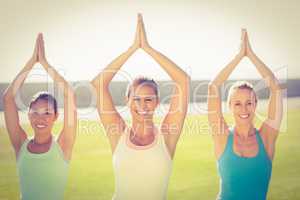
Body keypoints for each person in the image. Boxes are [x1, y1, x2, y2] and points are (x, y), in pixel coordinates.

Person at [91, 14, 190, 200]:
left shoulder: (167, 135)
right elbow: (98, 84)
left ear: (157, 102)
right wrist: (132, 48)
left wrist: (147, 48)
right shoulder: (117, 133)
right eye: (136, 99)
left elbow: (183, 81)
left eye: (149, 99)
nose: (143, 105)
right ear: (127, 101)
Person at [207, 29, 283, 200]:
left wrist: (251, 54)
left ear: (255, 105)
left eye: (249, 103)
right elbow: (213, 87)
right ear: (230, 107)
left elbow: (276, 89)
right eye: (237, 104)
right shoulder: (222, 136)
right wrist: (239, 56)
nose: (244, 109)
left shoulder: (266, 137)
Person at [3, 33, 77, 200]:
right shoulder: (20, 143)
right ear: (29, 115)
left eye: (47, 113)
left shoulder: (63, 145)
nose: (40, 118)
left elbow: (70, 95)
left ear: (56, 116)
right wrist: (31, 62)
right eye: (35, 112)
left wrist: (44, 63)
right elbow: (8, 98)